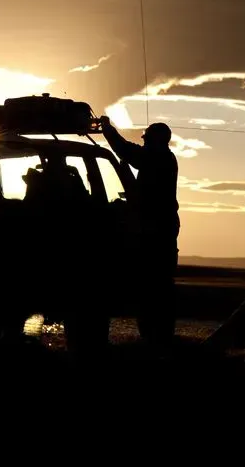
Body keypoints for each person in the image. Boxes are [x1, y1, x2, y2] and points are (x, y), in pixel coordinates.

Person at [99, 116, 180, 348]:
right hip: (162, 226)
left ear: (154, 140)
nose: (143, 143)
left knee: (152, 283)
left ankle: (155, 336)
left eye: (145, 139)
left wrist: (107, 130)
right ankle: (157, 335)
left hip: (155, 228)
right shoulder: (164, 157)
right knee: (157, 284)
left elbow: (125, 149)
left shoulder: (155, 157)